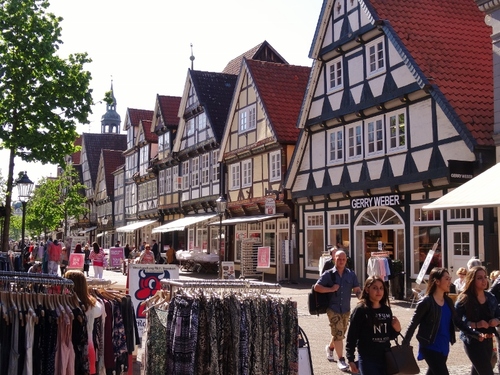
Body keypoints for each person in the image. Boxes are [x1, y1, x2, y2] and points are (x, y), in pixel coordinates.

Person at [404, 267, 475, 375]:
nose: (449, 282)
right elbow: (413, 323)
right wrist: (405, 344)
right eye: (446, 279)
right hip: (430, 346)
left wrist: (475, 333)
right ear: (437, 281)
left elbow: (458, 322)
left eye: (449, 278)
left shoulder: (448, 301)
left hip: (444, 346)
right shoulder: (426, 302)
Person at [314, 249, 362, 372]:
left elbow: (356, 289)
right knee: (339, 333)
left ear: (346, 260)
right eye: (338, 259)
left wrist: (362, 299)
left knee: (339, 333)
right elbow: (317, 287)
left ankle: (330, 348)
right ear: (334, 259)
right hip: (333, 308)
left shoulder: (351, 274)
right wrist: (331, 289)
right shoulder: (329, 274)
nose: (341, 261)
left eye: (343, 259)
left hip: (346, 309)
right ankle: (341, 360)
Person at [346, 276, 401, 374]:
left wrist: (397, 330)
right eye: (375, 288)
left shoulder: (386, 310)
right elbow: (352, 336)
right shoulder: (361, 310)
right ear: (367, 289)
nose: (378, 291)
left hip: (385, 357)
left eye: (381, 288)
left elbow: (389, 336)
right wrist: (350, 359)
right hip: (367, 358)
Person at [455, 266, 500, 375]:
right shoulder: (464, 298)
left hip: (488, 340)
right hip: (472, 340)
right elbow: (456, 321)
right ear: (472, 280)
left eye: (485, 277)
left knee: (477, 372)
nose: (484, 280)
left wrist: (496, 320)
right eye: (479, 278)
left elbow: (499, 315)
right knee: (487, 372)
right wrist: (475, 324)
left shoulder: (490, 297)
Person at [64, 270, 103, 375]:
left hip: (67, 350)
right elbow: (100, 311)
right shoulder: (92, 305)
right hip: (87, 348)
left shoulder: (64, 304)